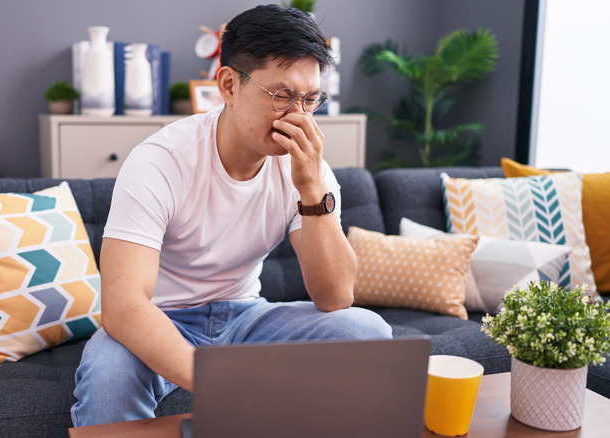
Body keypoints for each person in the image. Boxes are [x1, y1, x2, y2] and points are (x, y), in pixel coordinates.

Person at [71, 4, 392, 427]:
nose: (298, 115)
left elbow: (335, 298)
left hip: (245, 315)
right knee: (109, 376)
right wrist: (218, 383)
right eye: (281, 95)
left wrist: (312, 189)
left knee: (367, 333)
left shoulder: (308, 169)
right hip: (161, 316)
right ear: (227, 84)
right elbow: (123, 305)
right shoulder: (160, 161)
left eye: (310, 99)